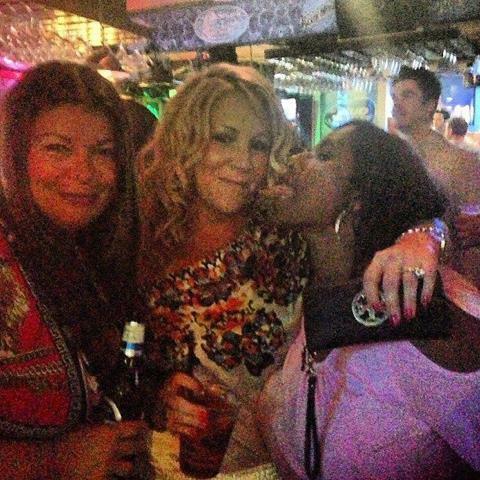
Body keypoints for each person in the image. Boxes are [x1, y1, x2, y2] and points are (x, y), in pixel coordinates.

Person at [138, 63, 448, 476]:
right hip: (163, 461)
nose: (243, 161)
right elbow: (125, 366)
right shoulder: (142, 240)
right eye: (223, 138)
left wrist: (424, 235)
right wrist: (159, 396)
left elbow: (395, 206)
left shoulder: (281, 233)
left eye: (258, 145)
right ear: (185, 138)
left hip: (276, 464)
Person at [258, 121, 480, 479]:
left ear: (357, 199)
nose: (298, 159)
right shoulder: (322, 296)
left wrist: (430, 235)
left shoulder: (411, 306)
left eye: (324, 155)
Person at [0, 61, 152, 479]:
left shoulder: (94, 250)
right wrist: (53, 461)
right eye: (58, 148)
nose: (84, 173)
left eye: (103, 152)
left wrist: (161, 394)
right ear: (16, 155)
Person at [391, 65, 480, 287]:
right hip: (393, 279)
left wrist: (466, 296)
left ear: (430, 105)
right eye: (394, 97)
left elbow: (469, 237)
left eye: (407, 95)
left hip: (441, 285)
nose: (396, 104)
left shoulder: (460, 161)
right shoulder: (387, 159)